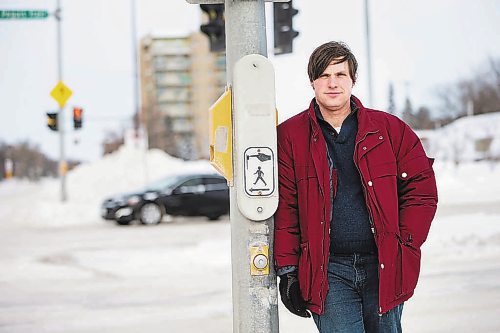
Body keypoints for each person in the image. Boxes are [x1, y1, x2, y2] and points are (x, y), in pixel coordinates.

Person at [273, 41, 438, 332]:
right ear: (312, 81)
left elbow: (421, 187)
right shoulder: (289, 136)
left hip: (383, 263)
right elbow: (286, 206)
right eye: (324, 75)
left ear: (353, 80)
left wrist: (405, 241)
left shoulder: (389, 129)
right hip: (327, 270)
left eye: (340, 74)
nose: (332, 83)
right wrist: (288, 270)